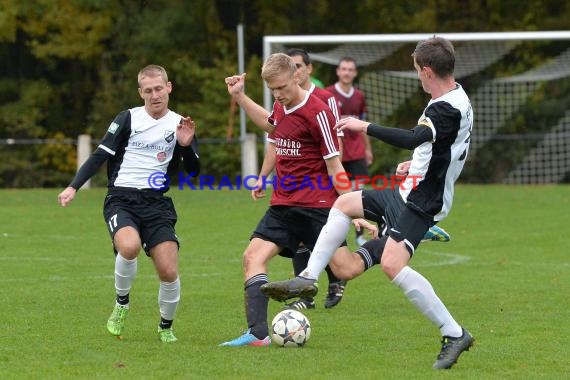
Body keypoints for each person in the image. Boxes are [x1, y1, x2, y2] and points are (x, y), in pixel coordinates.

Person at [261, 37, 475, 369]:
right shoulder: (454, 97)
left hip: (421, 201)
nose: (418, 76)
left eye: (418, 71)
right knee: (344, 203)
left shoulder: (444, 106)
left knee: (392, 265)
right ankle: (308, 278)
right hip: (410, 188)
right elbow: (445, 146)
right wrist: (419, 164)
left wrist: (364, 126)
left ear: (428, 70)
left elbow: (413, 137)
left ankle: (454, 332)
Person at [219, 53, 357, 347]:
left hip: (318, 206)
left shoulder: (318, 112)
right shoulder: (281, 106)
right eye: (272, 90)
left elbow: (335, 167)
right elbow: (271, 128)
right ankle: (257, 334)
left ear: (297, 75)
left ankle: (384, 247)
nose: (278, 94)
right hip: (283, 204)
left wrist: (354, 209)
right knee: (252, 257)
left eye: (282, 87)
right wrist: (240, 97)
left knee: (345, 269)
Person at [57, 64, 200, 343]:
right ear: (140, 92)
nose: (154, 95)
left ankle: (165, 327)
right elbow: (100, 154)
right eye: (148, 90)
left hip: (156, 203)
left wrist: (185, 145)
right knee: (129, 246)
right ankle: (122, 303)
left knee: (169, 271)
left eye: (159, 88)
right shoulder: (128, 118)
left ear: (168, 87)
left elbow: (194, 173)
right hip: (121, 199)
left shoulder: (180, 123)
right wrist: (74, 186)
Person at [284, 48, 348, 311]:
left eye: (298, 66)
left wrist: (332, 172)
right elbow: (276, 140)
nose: (295, 71)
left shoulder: (325, 99)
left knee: (326, 232)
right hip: (296, 183)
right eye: (291, 67)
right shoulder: (284, 100)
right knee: (300, 235)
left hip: (324, 178)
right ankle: (305, 296)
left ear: (309, 69)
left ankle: (336, 279)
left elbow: (336, 141)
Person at [326, 56, 373, 248]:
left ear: (355, 73)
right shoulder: (327, 94)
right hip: (335, 153)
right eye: (343, 69)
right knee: (336, 194)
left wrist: (368, 149)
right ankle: (333, 233)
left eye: (350, 69)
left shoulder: (359, 96)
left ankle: (361, 234)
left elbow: (363, 125)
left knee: (358, 194)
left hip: (357, 152)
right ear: (338, 71)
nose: (346, 72)